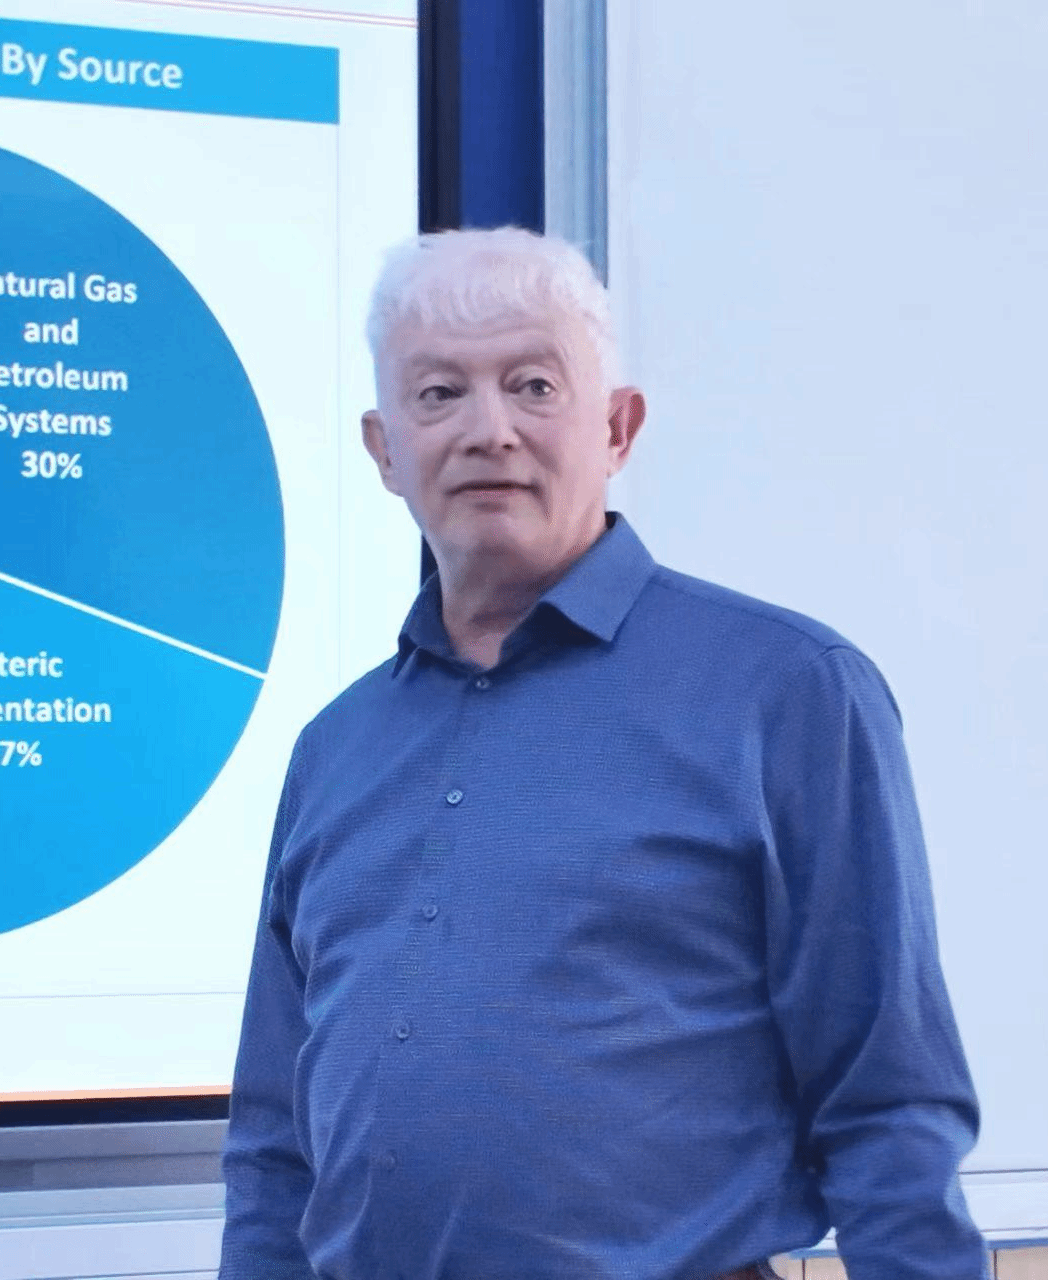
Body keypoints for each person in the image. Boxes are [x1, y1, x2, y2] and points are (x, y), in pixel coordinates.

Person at [219, 227, 989, 1280]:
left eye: (533, 386)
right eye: (438, 394)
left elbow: (888, 1102)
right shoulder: (334, 749)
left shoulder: (786, 692)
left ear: (617, 426)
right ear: (383, 448)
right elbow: (274, 1142)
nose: (488, 431)